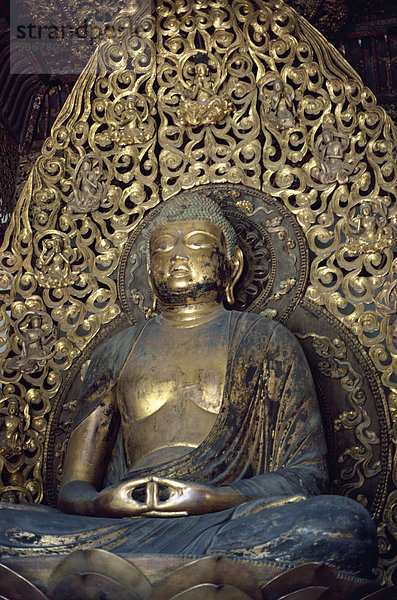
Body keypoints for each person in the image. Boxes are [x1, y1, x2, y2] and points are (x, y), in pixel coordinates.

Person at [0, 194, 376, 576]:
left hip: (226, 521)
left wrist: (209, 498)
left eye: (197, 243)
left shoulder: (266, 341)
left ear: (232, 264)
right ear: (149, 271)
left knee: (341, 525)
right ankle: (166, 573)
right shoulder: (115, 352)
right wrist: (105, 504)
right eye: (163, 247)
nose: (177, 255)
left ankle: (130, 576)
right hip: (122, 527)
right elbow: (74, 488)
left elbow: (307, 474)